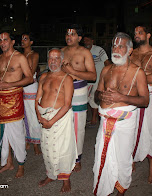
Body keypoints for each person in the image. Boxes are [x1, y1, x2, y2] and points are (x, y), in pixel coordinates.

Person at [93, 32, 149, 196]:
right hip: (104, 123)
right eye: (114, 45)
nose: (116, 49)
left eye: (121, 46)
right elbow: (96, 94)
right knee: (101, 157)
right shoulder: (106, 70)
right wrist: (101, 96)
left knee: (123, 159)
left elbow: (145, 101)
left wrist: (121, 97)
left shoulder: (137, 72)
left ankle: (121, 190)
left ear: (130, 50)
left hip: (125, 123)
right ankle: (105, 189)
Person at [0, 32, 33, 178]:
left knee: (17, 134)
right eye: (0, 40)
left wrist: (9, 84)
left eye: (5, 40)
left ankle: (21, 165)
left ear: (12, 42)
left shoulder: (19, 58)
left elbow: (29, 79)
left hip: (14, 101)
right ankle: (9, 163)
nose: (2, 42)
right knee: (3, 134)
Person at [36, 48, 77, 193]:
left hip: (60, 119)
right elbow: (37, 99)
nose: (53, 61)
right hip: (44, 117)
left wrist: (51, 121)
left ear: (62, 60)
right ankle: (51, 175)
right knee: (46, 148)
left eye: (56, 58)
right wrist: (39, 116)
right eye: (50, 58)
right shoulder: (43, 77)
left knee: (63, 149)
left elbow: (67, 104)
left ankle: (66, 179)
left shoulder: (67, 79)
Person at [130, 25, 152, 184]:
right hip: (133, 96)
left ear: (148, 35)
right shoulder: (132, 53)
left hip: (151, 98)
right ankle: (132, 160)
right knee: (132, 128)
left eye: (140, 32)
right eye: (135, 33)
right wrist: (144, 76)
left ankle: (151, 169)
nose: (136, 35)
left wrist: (135, 76)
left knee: (151, 130)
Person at [61, 24, 96, 172]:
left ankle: (77, 158)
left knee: (78, 126)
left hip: (79, 90)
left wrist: (72, 71)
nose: (69, 37)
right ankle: (65, 154)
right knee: (63, 123)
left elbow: (93, 76)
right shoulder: (61, 52)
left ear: (80, 38)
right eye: (68, 34)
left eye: (73, 34)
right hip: (62, 90)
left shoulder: (84, 52)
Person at [83, 34, 111, 127]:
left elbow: (107, 63)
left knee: (94, 98)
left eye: (88, 40)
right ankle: (88, 119)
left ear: (92, 41)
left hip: (98, 79)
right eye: (85, 41)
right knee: (86, 99)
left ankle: (94, 119)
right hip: (87, 79)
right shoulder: (83, 51)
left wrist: (108, 77)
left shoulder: (99, 50)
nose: (86, 42)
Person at [21, 32, 42, 155]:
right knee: (23, 115)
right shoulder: (18, 55)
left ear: (31, 42)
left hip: (31, 87)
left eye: (26, 39)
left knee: (33, 115)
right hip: (20, 88)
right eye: (22, 39)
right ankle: (26, 139)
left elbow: (31, 72)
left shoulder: (34, 55)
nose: (23, 41)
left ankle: (36, 143)